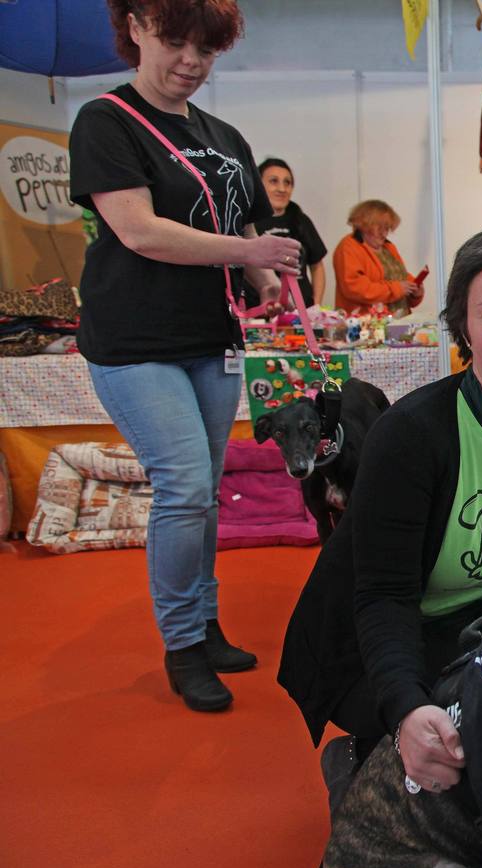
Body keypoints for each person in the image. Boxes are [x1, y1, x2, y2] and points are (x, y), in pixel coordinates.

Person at [278, 221, 482, 813]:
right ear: (464, 329)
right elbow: (381, 595)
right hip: (378, 640)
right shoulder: (410, 435)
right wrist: (407, 709)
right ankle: (360, 755)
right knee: (465, 741)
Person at [69, 0, 302, 713]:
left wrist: (269, 286)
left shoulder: (225, 135)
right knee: (184, 488)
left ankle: (204, 623)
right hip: (134, 343)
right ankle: (180, 644)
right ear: (136, 26)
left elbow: (243, 233)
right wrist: (251, 253)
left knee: (202, 493)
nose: (191, 62)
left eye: (207, 49)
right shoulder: (106, 121)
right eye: (175, 42)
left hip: (210, 341)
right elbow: (139, 231)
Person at [242, 157, 327, 312]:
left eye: (287, 182)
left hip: (301, 314)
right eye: (274, 181)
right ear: (259, 185)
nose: (282, 189)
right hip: (262, 313)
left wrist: (316, 304)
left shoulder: (301, 219)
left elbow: (317, 265)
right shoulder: (249, 221)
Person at [331, 199, 426, 314]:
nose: (384, 233)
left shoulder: (389, 247)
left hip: (397, 323)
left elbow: (401, 277)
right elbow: (356, 289)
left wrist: (415, 291)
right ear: (364, 225)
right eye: (379, 228)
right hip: (366, 326)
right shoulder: (347, 248)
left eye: (387, 228)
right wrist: (397, 289)